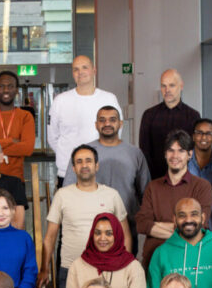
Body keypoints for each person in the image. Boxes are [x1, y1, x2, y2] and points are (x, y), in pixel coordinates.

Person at [39, 144, 129, 288]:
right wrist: (44, 269)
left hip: (106, 270)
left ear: (97, 166)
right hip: (71, 270)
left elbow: (125, 235)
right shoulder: (62, 195)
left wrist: (124, 266)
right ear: (73, 168)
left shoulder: (111, 195)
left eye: (88, 161)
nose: (84, 165)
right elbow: (50, 236)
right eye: (79, 162)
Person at [63, 106, 150, 250]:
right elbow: (69, 191)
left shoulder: (135, 154)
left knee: (124, 270)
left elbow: (145, 193)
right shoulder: (84, 153)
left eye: (112, 120)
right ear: (96, 125)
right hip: (90, 228)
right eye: (102, 120)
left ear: (120, 124)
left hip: (127, 228)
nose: (107, 124)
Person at [136, 129, 212, 267]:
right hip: (153, 261)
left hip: (188, 260)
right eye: (171, 150)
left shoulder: (202, 186)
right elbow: (142, 224)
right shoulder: (152, 187)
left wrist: (156, 225)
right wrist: (182, 230)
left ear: (190, 154)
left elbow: (199, 226)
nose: (175, 155)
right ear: (165, 154)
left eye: (181, 151)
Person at [47, 55, 122, 183]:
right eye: (76, 69)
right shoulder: (60, 101)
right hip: (68, 172)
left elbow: (116, 134)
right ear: (72, 74)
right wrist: (68, 156)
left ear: (94, 70)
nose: (80, 72)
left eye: (84, 68)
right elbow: (52, 138)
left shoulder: (109, 99)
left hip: (100, 171)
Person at [138, 69, 201, 179]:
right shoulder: (149, 115)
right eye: (163, 86)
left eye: (172, 85)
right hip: (156, 178)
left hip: (184, 178)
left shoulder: (193, 115)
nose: (167, 90)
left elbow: (194, 151)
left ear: (181, 86)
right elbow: (144, 151)